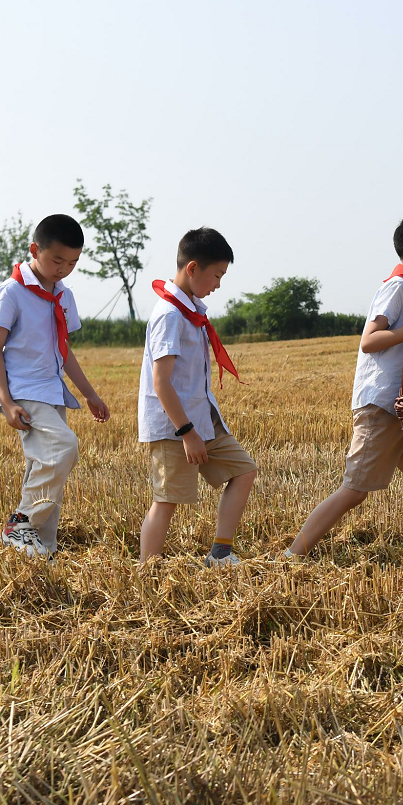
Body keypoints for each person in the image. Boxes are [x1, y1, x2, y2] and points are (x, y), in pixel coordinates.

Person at [287, 208, 403, 559]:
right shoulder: (397, 287)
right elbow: (370, 340)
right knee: (354, 491)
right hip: (381, 407)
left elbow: (395, 352)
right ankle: (292, 556)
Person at [0, 214, 109, 559]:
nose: (63, 269)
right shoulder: (12, 292)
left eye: (72, 263)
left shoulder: (63, 295)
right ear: (34, 250)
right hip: (24, 391)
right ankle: (21, 522)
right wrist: (6, 402)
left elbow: (64, 352)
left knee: (46, 469)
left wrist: (90, 394)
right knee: (63, 447)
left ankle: (41, 555)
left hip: (52, 391)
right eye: (57, 260)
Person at [138, 227, 257, 566]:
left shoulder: (191, 312)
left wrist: (197, 427)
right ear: (192, 268)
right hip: (175, 425)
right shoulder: (169, 315)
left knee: (244, 471)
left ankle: (220, 552)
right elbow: (161, 382)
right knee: (167, 500)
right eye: (216, 275)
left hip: (203, 418)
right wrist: (186, 432)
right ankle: (148, 572)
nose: (218, 284)